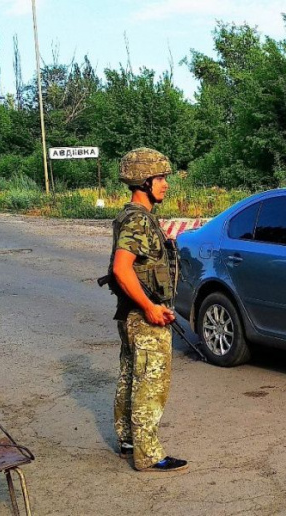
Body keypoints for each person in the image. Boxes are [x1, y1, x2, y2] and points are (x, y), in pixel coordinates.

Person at [108, 147, 188, 473]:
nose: (166, 184)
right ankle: (148, 454)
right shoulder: (138, 220)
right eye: (161, 178)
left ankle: (128, 440)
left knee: (130, 376)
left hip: (131, 312)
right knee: (150, 384)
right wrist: (151, 308)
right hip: (143, 316)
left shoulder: (133, 216)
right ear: (144, 181)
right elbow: (121, 268)